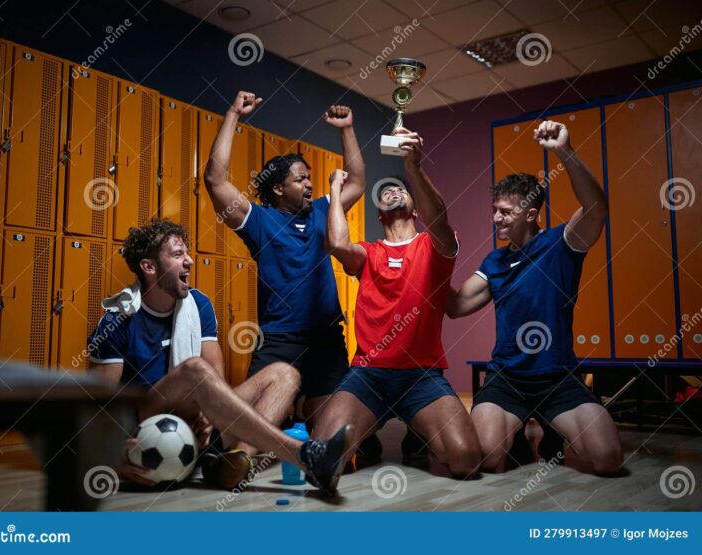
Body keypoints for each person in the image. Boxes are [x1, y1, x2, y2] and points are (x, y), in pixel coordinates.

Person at [88, 219, 353, 495]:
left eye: (187, 252)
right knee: (194, 370)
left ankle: (235, 462)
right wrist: (112, 456)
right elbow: (96, 405)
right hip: (149, 423)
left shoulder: (198, 305)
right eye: (178, 255)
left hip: (197, 422)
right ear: (149, 267)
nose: (190, 261)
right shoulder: (118, 320)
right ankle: (304, 456)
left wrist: (208, 415)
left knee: (285, 374)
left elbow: (216, 383)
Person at [447, 120, 623, 475]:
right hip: (507, 378)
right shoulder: (494, 262)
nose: (496, 218)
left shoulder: (561, 244)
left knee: (607, 459)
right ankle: (523, 441)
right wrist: (430, 261)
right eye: (494, 209)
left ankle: (552, 427)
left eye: (505, 212)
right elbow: (456, 306)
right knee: (487, 457)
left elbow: (596, 208)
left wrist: (563, 150)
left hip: (557, 376)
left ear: (531, 214)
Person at [312, 127, 482, 478]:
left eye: (400, 190)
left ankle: (417, 429)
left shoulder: (434, 247)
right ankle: (372, 430)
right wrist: (334, 191)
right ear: (379, 216)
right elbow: (337, 243)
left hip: (421, 377)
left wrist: (413, 168)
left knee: (466, 461)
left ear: (415, 207)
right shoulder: (370, 254)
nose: (392, 192)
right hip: (368, 374)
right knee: (323, 459)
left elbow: (440, 219)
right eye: (386, 192)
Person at [203, 91, 370, 435]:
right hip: (280, 340)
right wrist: (234, 114)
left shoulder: (323, 211)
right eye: (300, 179)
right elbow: (214, 180)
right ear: (278, 188)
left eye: (309, 178)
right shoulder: (259, 221)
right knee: (245, 428)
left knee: (337, 431)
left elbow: (356, 182)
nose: (310, 184)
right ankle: (281, 421)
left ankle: (303, 415)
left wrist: (347, 129)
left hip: (326, 339)